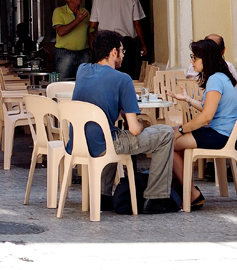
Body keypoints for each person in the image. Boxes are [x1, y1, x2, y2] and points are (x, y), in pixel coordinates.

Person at [70, 30, 177, 213]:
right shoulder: (123, 79)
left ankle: (103, 195)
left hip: (78, 142)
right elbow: (134, 129)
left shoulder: (82, 70)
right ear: (114, 52)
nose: (123, 55)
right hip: (104, 144)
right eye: (122, 51)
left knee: (110, 132)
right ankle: (156, 198)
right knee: (165, 133)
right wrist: (144, 123)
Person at [172, 38, 237, 209]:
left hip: (221, 136)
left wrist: (181, 130)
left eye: (195, 57)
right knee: (170, 135)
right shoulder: (221, 77)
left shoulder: (215, 80)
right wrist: (188, 99)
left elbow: (206, 117)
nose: (192, 61)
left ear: (207, 59)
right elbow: (208, 108)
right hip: (226, 133)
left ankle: (191, 194)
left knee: (168, 143)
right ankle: (183, 189)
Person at [89, 0, 147, 78]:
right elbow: (137, 24)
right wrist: (143, 44)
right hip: (125, 43)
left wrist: (93, 45)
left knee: (105, 75)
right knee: (127, 74)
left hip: (104, 43)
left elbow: (92, 26)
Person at [52, 0, 91, 79]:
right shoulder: (59, 11)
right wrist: (77, 20)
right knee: (63, 84)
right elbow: (60, 32)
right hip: (65, 54)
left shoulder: (85, 12)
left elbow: (91, 33)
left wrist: (93, 51)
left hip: (84, 54)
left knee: (84, 83)